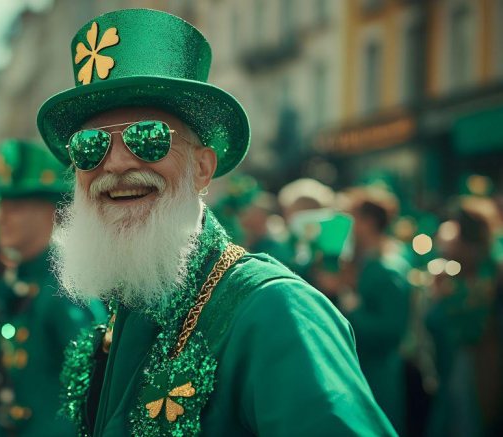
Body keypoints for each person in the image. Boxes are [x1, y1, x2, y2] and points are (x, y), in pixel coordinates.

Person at [36, 9, 395, 435]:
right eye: (89, 145)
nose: (114, 163)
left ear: (203, 168)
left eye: (147, 137)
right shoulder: (124, 309)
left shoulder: (275, 309)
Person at [0, 140, 105, 436]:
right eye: (0, 205)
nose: (1, 217)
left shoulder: (64, 290)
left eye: (17, 206)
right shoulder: (25, 281)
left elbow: (93, 397)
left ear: (52, 211)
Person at [318, 188, 412, 432]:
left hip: (379, 378)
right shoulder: (360, 262)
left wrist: (348, 303)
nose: (341, 225)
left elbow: (391, 331)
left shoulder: (387, 269)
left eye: (348, 217)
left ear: (368, 223)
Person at [425, 197, 502, 437]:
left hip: (478, 362)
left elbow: (465, 324)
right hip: (462, 361)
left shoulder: (488, 274)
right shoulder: (466, 272)